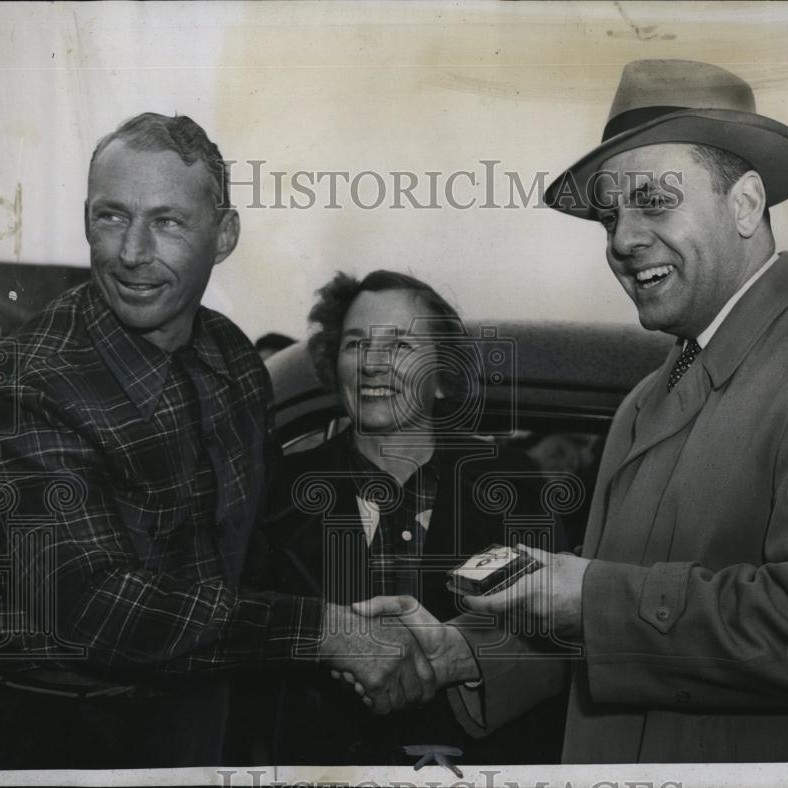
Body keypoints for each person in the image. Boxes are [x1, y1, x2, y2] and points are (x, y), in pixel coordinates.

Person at [355, 60, 788, 763]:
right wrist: (460, 652)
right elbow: (621, 630)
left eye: (654, 201)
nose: (622, 240)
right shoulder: (644, 401)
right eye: (610, 215)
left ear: (745, 204)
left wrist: (589, 597)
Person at [0, 114, 434, 769]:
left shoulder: (233, 358)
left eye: (166, 222)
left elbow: (251, 551)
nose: (131, 252)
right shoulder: (25, 379)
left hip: (208, 726)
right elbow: (95, 605)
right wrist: (325, 633)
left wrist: (358, 622)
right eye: (110, 216)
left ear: (225, 235)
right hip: (64, 741)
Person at [235, 270, 568, 765]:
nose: (372, 363)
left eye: (402, 346)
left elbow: (559, 638)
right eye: (355, 344)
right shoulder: (275, 491)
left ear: (443, 378)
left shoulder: (514, 487)